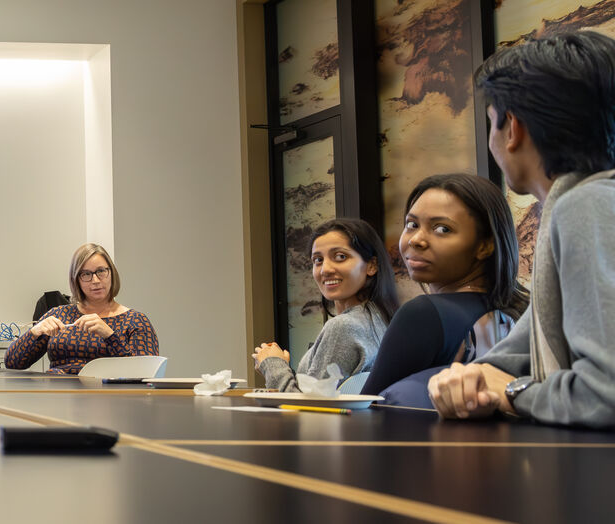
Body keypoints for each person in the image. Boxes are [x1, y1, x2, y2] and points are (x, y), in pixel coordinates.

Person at [428, 31, 615, 428]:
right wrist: (467, 380)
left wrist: (513, 392)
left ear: (512, 128)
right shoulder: (578, 203)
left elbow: (606, 393)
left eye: (491, 122)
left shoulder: (584, 206)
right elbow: (504, 361)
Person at [360, 173, 528, 397]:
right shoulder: (522, 310)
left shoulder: (423, 314)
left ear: (485, 245)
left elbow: (367, 408)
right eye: (411, 224)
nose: (416, 239)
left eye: (442, 229)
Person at [253, 218, 399, 392]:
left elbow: (311, 409)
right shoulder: (382, 319)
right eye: (318, 260)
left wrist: (273, 365)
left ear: (372, 266)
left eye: (340, 257)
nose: (325, 269)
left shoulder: (343, 327)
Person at [5, 243, 158, 374]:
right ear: (76, 280)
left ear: (111, 273)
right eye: (86, 274)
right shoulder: (58, 315)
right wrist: (34, 332)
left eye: (101, 271)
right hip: (58, 398)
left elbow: (145, 373)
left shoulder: (135, 321)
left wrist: (109, 336)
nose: (95, 280)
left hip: (108, 400)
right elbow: (13, 363)